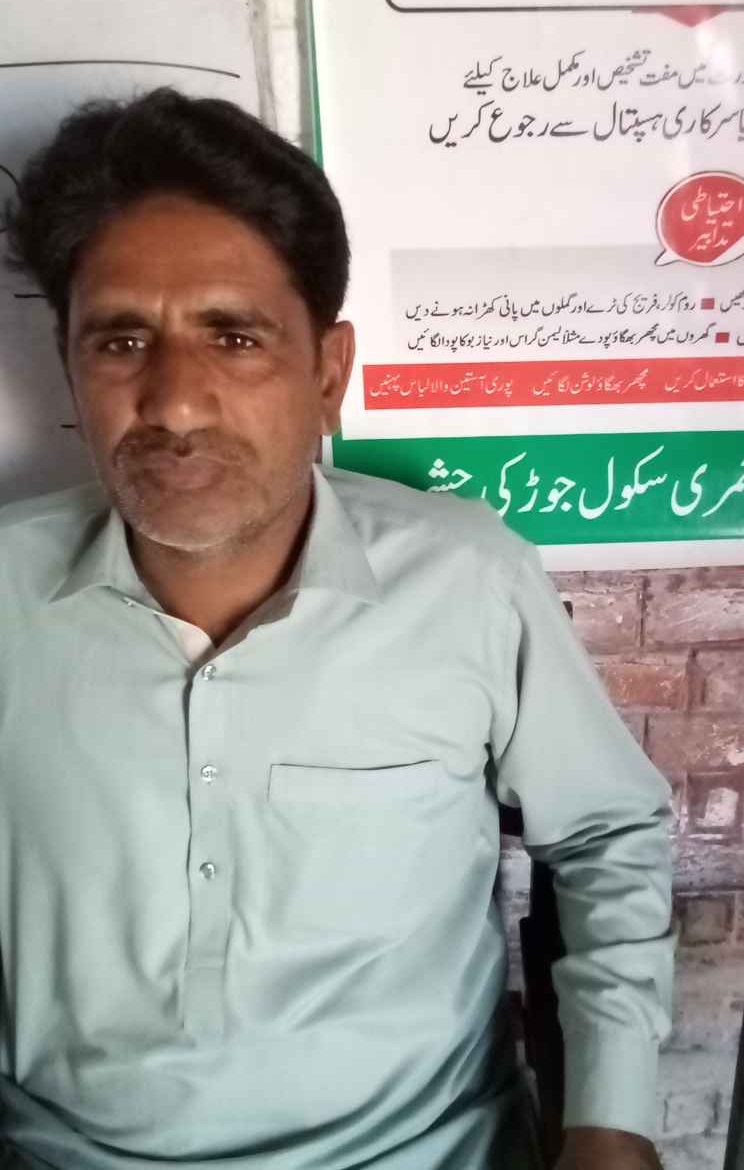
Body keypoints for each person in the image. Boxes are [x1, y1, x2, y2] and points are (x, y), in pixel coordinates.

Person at [0, 89, 675, 1170]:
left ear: (327, 374)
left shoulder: (466, 581)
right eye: (122, 339)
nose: (175, 403)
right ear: (71, 365)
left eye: (235, 337)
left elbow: (605, 834)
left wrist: (611, 1121)